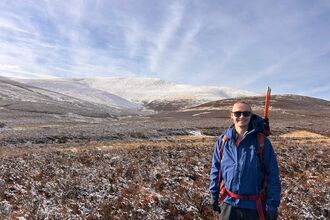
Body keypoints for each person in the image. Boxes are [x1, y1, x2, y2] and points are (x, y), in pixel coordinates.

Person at [209, 101, 281, 220]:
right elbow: (216, 169)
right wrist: (214, 194)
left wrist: (272, 206)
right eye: (237, 113)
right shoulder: (223, 141)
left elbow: (273, 175)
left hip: (255, 206)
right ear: (231, 115)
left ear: (251, 116)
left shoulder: (262, 142)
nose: (241, 117)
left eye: (246, 113)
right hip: (229, 204)